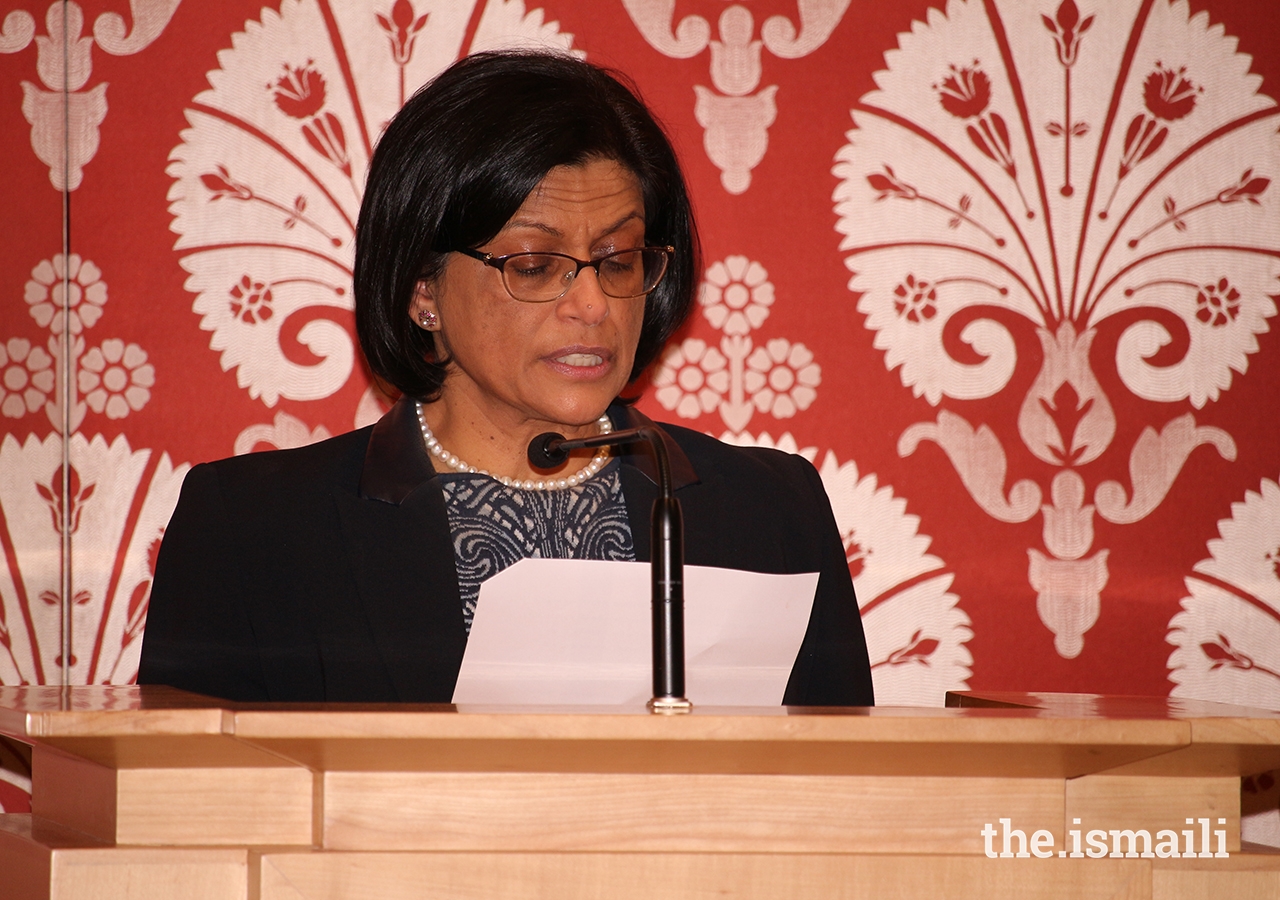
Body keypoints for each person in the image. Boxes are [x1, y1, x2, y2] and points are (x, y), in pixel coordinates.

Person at [138, 50, 874, 706]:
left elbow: (850, 807)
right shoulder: (252, 531)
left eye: (618, 261)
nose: (593, 306)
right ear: (422, 289)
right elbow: (189, 818)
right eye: (534, 265)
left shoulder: (775, 513)